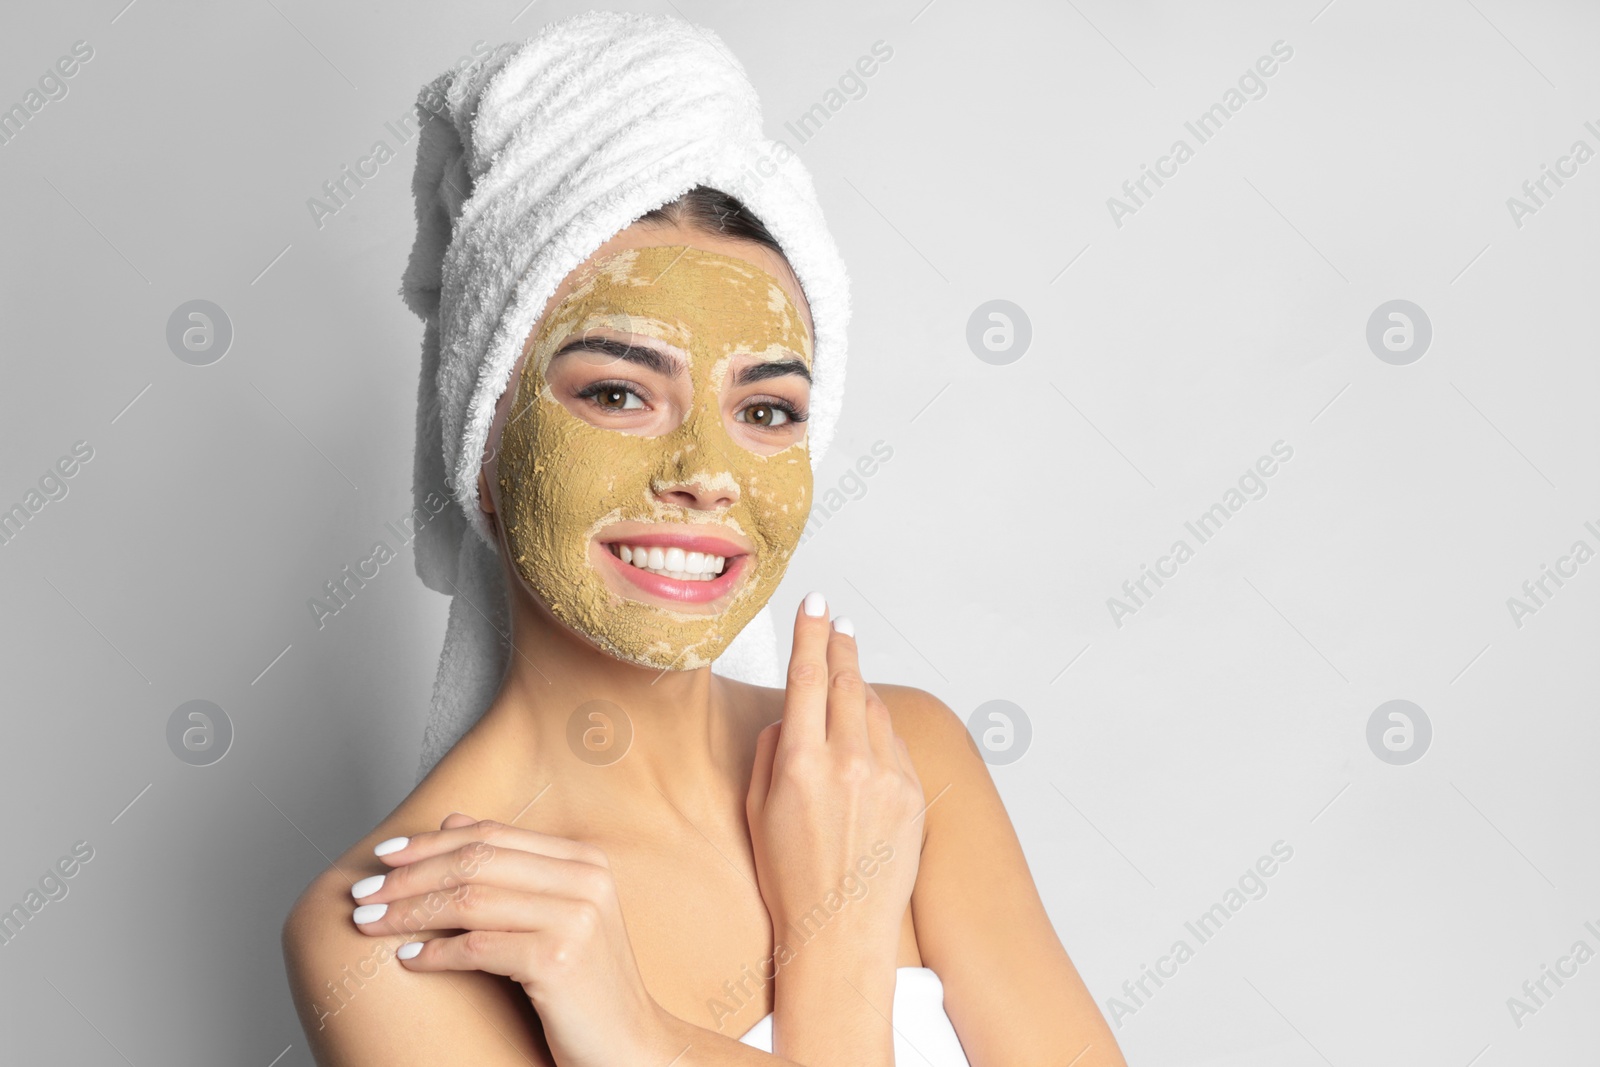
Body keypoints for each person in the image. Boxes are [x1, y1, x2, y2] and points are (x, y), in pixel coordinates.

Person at [281, 14, 1125, 1067]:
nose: (707, 471)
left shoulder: (897, 761)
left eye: (766, 411)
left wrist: (655, 1028)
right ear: (482, 439)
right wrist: (837, 943)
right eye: (621, 391)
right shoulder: (398, 923)